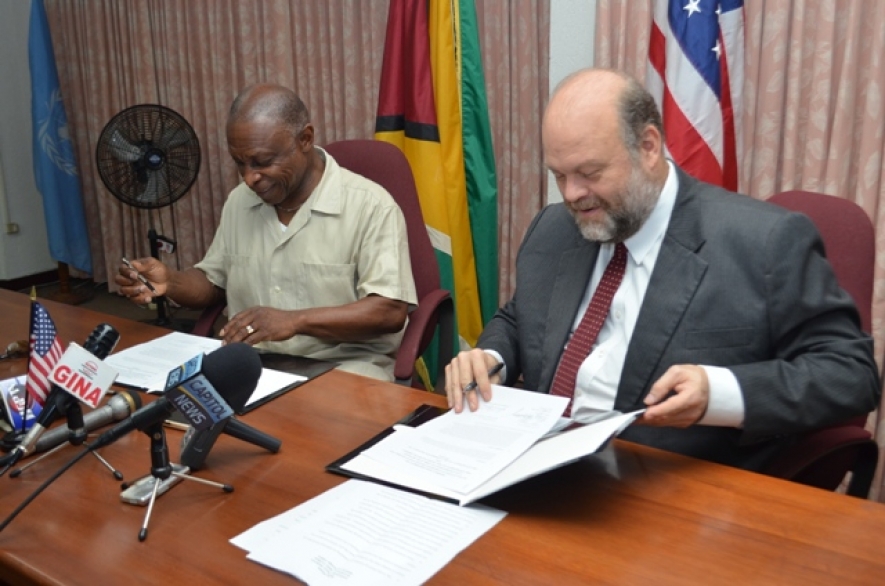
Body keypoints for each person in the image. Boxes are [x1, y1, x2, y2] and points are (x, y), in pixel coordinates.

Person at [445, 68, 880, 470]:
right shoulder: (554, 228)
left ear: (649, 147)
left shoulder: (763, 242)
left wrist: (720, 392)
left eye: (590, 172)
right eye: (560, 176)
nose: (573, 194)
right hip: (534, 465)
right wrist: (492, 356)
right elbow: (521, 316)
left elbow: (850, 374)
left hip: (668, 487)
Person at [116, 83, 417, 381]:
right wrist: (172, 281)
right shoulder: (240, 201)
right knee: (176, 412)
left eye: (262, 162)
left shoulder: (370, 206)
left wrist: (294, 321)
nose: (249, 178)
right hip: (254, 363)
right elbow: (214, 282)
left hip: (344, 365)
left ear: (305, 139)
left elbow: (389, 310)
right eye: (239, 163)